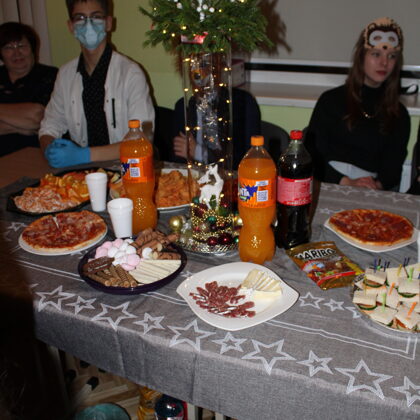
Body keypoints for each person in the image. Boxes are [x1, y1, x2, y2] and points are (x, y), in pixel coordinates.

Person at [39, 0, 155, 168]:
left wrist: (83, 155)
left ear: (108, 23)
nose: (88, 25)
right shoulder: (65, 74)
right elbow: (49, 126)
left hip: (126, 169)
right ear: (71, 26)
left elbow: (143, 139)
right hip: (82, 171)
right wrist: (49, 149)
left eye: (96, 17)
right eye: (80, 18)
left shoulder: (130, 73)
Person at [305, 17, 410, 191]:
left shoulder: (399, 114)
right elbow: (313, 153)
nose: (384, 63)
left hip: (369, 189)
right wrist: (346, 182)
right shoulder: (330, 100)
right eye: (376, 54)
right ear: (361, 56)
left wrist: (374, 186)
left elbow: (392, 169)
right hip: (328, 183)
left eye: (391, 56)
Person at [0, 22, 58, 157]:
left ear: (32, 48)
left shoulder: (51, 76)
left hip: (36, 155)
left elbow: (38, 118)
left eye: (22, 46)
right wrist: (21, 126)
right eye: (8, 47)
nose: (17, 53)